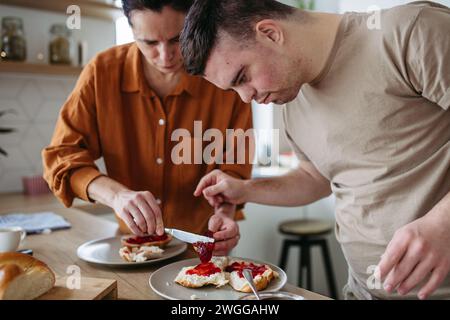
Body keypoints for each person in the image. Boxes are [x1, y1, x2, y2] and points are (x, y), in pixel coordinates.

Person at [180, 0, 450, 299]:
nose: (246, 98)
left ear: (270, 33)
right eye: (234, 90)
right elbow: (316, 178)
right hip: (362, 292)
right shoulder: (292, 99)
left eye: (243, 77)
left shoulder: (410, 32)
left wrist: (443, 222)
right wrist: (245, 190)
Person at [42, 0, 253, 255]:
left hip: (202, 248)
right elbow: (61, 158)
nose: (165, 56)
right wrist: (116, 196)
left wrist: (224, 213)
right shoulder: (102, 73)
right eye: (150, 43)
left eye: (177, 39)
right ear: (131, 30)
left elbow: (235, 171)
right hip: (133, 251)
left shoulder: (225, 77)